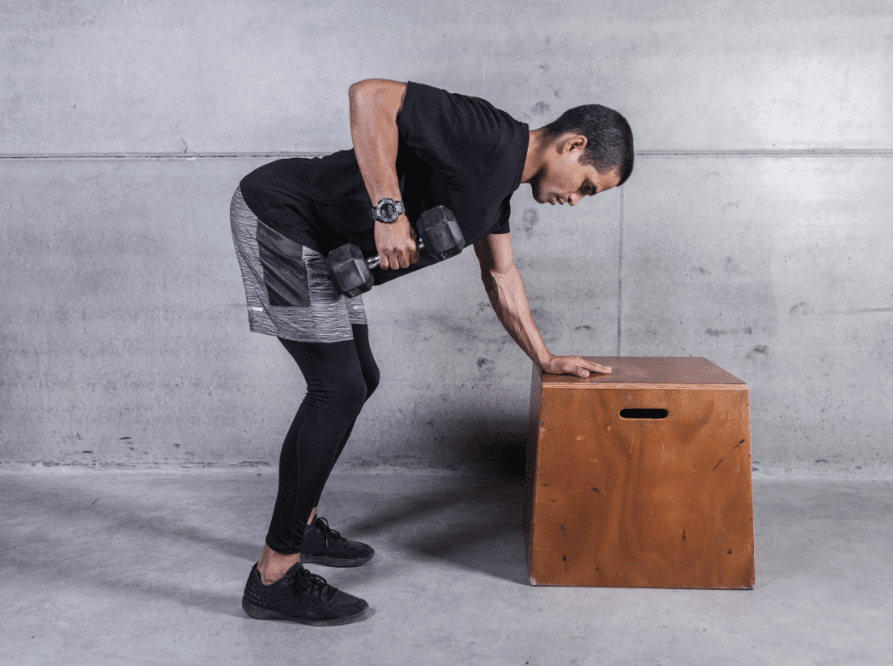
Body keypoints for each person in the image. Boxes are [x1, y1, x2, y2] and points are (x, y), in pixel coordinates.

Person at [231, 79, 634, 626]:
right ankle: (275, 575)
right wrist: (388, 210)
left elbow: (502, 274)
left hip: (319, 244)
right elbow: (371, 96)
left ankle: (300, 524)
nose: (576, 200)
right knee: (337, 390)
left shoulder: (495, 194)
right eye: (587, 186)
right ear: (574, 145)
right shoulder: (489, 137)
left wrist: (545, 357)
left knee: (358, 380)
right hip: (281, 215)